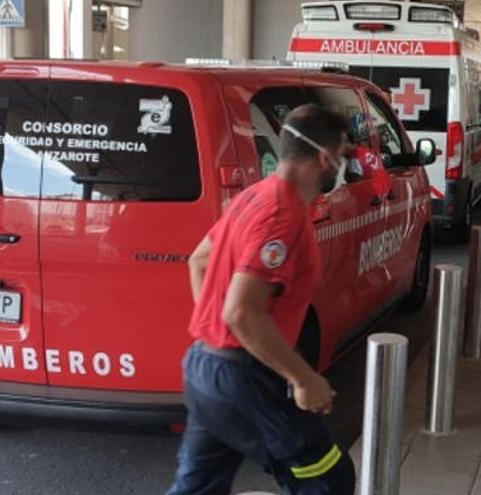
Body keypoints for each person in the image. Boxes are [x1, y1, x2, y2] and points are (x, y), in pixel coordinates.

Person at [166, 104, 356, 495]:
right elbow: (242, 312)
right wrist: (303, 379)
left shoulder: (255, 195)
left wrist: (217, 339)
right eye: (343, 157)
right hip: (244, 378)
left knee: (197, 487)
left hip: (206, 368)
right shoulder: (281, 215)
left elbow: (199, 261)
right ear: (324, 158)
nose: (343, 167)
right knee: (327, 479)